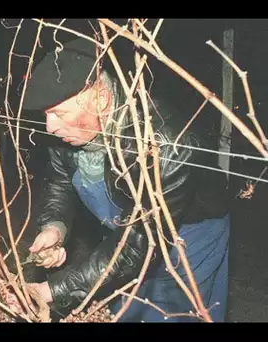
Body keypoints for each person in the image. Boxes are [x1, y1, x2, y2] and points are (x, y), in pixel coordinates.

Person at [19, 38, 231, 322]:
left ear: (101, 100)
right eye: (46, 115)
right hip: (124, 231)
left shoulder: (163, 143)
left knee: (177, 313)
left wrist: (53, 290)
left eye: (59, 113)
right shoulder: (66, 136)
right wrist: (54, 228)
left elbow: (137, 242)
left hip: (188, 234)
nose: (50, 126)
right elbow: (60, 182)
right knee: (123, 309)